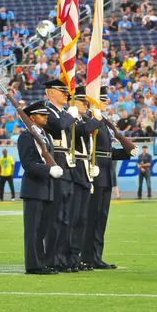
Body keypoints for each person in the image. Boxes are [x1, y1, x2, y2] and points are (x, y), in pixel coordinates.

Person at [82, 86, 137, 270]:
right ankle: (87, 256)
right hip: (95, 172)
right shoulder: (91, 120)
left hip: (106, 173)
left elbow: (108, 152)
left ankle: (97, 256)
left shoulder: (105, 123)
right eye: (103, 100)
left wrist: (127, 152)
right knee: (92, 217)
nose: (107, 103)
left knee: (101, 218)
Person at [18, 101, 63, 275]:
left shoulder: (46, 136)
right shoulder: (26, 136)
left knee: (43, 229)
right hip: (34, 187)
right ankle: (33, 265)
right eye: (42, 115)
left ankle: (42, 262)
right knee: (33, 229)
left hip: (47, 187)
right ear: (32, 117)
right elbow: (28, 164)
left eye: (46, 114)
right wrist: (48, 169)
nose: (46, 117)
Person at [42, 78, 80, 271]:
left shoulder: (64, 113)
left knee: (67, 216)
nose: (66, 94)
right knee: (56, 216)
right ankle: (52, 258)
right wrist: (71, 115)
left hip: (68, 165)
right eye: (61, 91)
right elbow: (57, 126)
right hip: (57, 162)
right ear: (50, 93)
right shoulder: (47, 111)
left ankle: (63, 257)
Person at [68, 86, 102, 271]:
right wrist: (96, 120)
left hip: (84, 167)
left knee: (81, 217)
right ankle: (69, 255)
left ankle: (76, 255)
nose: (86, 105)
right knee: (73, 216)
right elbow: (81, 131)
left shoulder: (82, 119)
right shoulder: (72, 118)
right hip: (75, 170)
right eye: (83, 101)